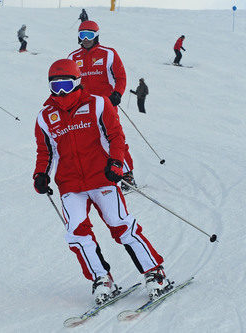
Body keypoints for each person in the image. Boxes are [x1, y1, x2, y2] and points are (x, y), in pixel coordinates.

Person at [33, 59, 169, 304]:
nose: (61, 91)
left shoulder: (97, 103)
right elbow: (45, 151)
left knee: (121, 224)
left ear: (77, 82)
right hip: (70, 184)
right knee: (76, 233)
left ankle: (154, 271)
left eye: (65, 84)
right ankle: (101, 278)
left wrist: (116, 162)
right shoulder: (45, 116)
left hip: (102, 177)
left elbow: (115, 136)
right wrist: (40, 174)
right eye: (56, 86)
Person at [67, 20, 136, 191]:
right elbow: (69, 82)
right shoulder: (73, 57)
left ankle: (126, 172)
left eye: (89, 35)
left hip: (106, 105)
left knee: (114, 138)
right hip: (83, 107)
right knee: (88, 141)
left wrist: (117, 94)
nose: (86, 39)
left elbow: (121, 76)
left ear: (96, 35)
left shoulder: (109, 54)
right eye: (82, 35)